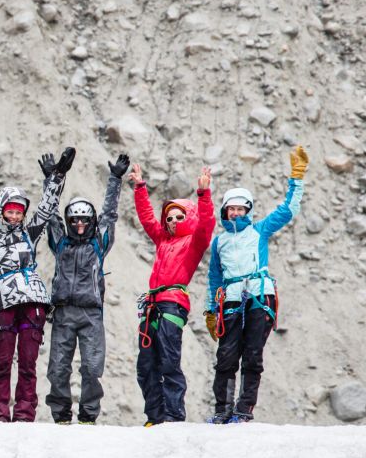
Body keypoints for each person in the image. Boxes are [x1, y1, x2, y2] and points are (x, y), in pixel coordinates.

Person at [204, 147, 307, 423]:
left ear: (247, 210)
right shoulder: (219, 242)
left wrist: (297, 178)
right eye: (231, 208)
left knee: (252, 356)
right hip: (232, 300)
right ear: (225, 211)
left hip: (260, 297)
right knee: (225, 357)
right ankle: (222, 410)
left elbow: (288, 211)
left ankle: (243, 410)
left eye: (240, 208)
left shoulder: (259, 230)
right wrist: (210, 310)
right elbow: (214, 277)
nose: (236, 213)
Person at [0, 148, 74, 422]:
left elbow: (46, 209)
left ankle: (24, 414)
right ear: (1, 211)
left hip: (33, 300)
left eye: (19, 211)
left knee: (27, 362)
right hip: (2, 302)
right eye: (10, 211)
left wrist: (57, 176)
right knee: (1, 363)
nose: (15, 216)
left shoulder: (30, 233)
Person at [44, 154, 128, 424]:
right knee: (57, 369)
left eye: (84, 220)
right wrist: (50, 180)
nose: (79, 225)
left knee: (92, 368)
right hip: (63, 314)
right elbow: (50, 214)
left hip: (91, 315)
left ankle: (88, 417)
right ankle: (61, 416)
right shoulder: (60, 242)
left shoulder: (99, 242)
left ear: (91, 221)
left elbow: (110, 214)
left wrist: (115, 179)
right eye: (75, 220)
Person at [131, 162, 215, 425]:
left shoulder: (194, 242)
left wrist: (203, 194)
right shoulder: (163, 240)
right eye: (169, 217)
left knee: (169, 361)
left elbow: (206, 225)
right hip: (153, 304)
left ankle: (174, 416)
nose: (173, 221)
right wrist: (140, 187)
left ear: (189, 218)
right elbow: (146, 218)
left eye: (179, 216)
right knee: (146, 366)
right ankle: (154, 417)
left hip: (172, 305)